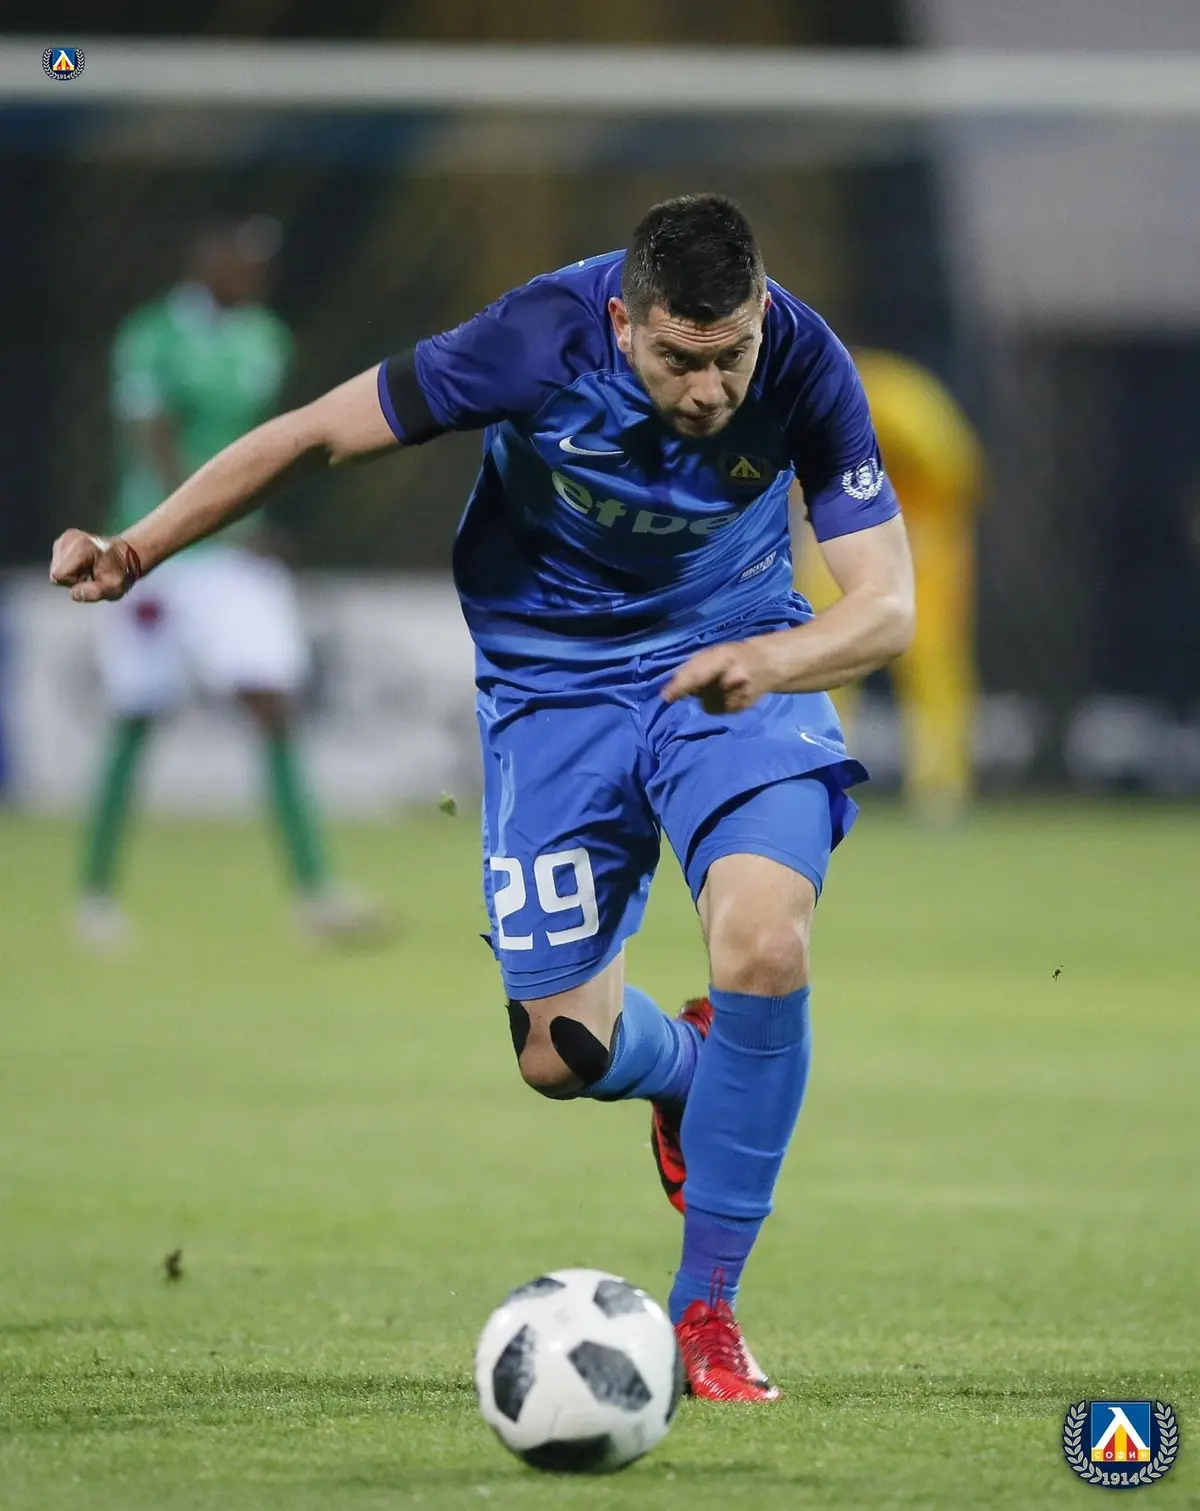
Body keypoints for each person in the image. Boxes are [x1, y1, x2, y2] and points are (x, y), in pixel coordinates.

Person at [51, 195, 914, 1401]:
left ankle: (706, 1312)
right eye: (681, 359)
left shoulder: (806, 362)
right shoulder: (534, 337)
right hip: (552, 686)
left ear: (761, 316)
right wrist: (137, 546)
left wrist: (776, 659)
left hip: (733, 661)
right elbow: (314, 435)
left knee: (765, 943)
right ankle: (690, 1071)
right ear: (624, 324)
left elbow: (886, 603)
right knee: (564, 1053)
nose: (712, 389)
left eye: (732, 357)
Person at [77, 219, 383, 946]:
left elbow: (266, 446)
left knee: (273, 702)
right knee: (137, 710)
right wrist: (223, 524)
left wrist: (255, 526)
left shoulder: (265, 339)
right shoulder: (152, 334)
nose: (256, 276)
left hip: (236, 560)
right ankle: (94, 896)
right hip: (154, 550)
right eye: (244, 262)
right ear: (207, 262)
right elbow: (155, 445)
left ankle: (315, 894)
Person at [796, 347, 983, 821]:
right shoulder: (800, 395)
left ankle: (941, 787)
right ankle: (817, 770)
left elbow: (958, 473)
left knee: (930, 655)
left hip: (917, 532)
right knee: (826, 649)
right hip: (838, 528)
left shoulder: (901, 398)